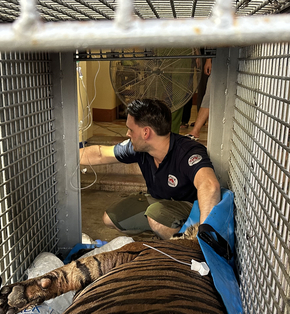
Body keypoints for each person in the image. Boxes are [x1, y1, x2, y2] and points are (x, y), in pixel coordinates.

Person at [79, 98, 221, 239]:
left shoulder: (187, 151)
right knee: (110, 218)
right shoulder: (139, 149)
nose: (128, 134)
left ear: (146, 133)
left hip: (191, 209)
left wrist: (205, 234)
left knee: (157, 216)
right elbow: (100, 154)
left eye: (130, 129)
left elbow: (209, 185)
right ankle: (163, 231)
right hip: (160, 202)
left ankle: (180, 247)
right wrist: (64, 155)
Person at [187, 57, 212, 139]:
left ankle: (195, 131)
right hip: (219, 60)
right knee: (209, 94)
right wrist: (209, 59)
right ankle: (195, 131)